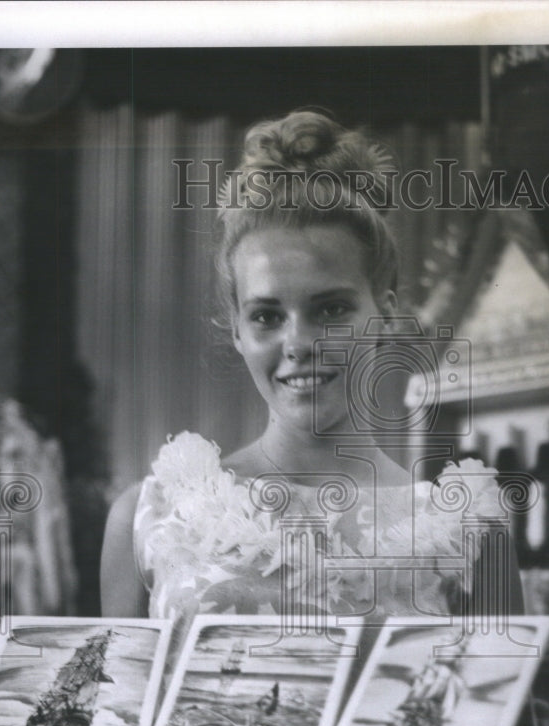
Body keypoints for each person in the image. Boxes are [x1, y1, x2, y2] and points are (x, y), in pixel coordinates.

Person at [99, 110, 524, 630]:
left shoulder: (470, 531)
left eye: (330, 309)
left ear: (385, 312)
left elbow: (501, 711)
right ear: (237, 329)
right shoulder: (150, 518)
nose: (298, 343)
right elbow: (109, 708)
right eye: (267, 316)